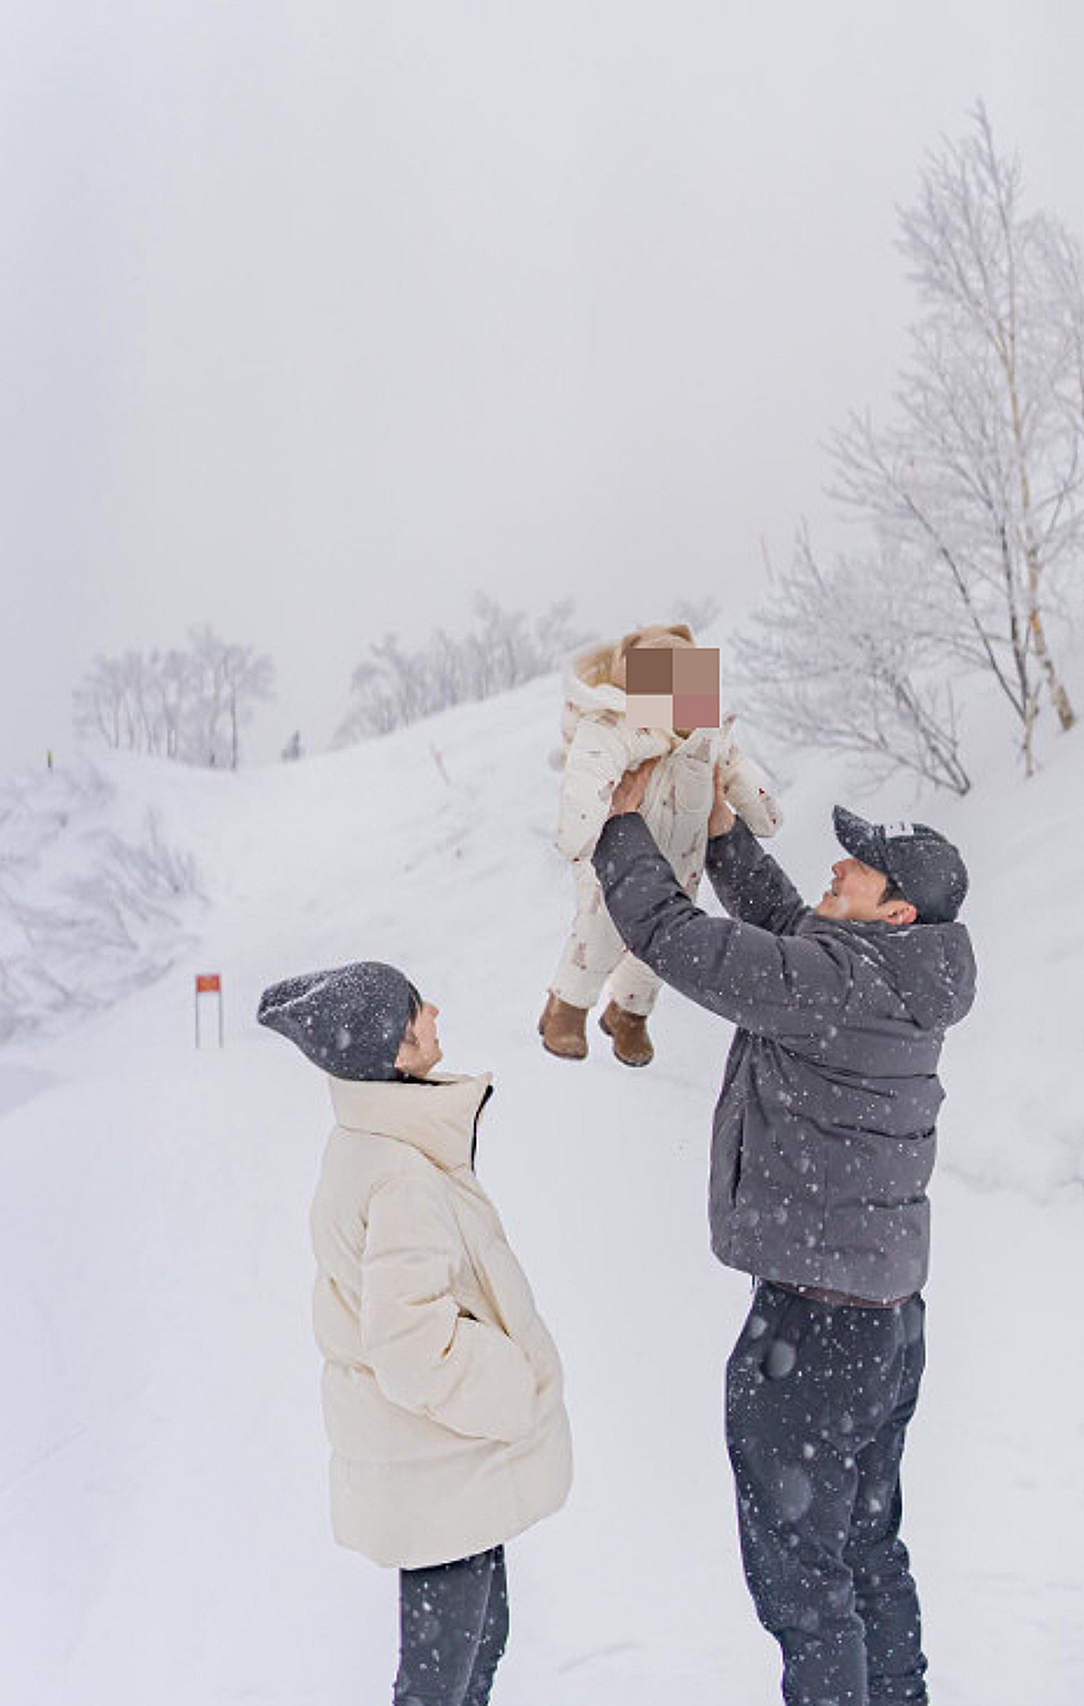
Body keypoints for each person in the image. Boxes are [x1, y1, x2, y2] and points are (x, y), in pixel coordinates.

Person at [590, 761, 975, 1706]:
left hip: (814, 1342)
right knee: (864, 1548)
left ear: (895, 917)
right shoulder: (898, 977)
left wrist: (620, 828)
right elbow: (785, 928)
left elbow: (674, 939)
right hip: (885, 1327)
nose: (838, 869)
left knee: (806, 1589)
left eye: (862, 871)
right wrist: (722, 835)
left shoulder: (834, 986)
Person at [257, 961, 572, 1706]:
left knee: (473, 1655)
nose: (433, 1010)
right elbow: (411, 1350)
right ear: (393, 1055)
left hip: (443, 1472)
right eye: (413, 1010)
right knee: (443, 1682)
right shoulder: (399, 1173)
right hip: (440, 1473)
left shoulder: (378, 1144)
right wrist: (511, 1385)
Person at [540, 621, 780, 1066]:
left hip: (679, 862)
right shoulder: (617, 726)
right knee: (601, 930)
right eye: (669, 678)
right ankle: (567, 1006)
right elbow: (587, 774)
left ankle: (628, 1015)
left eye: (692, 677)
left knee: (662, 943)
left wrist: (761, 808)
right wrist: (578, 827)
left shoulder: (708, 734)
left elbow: (736, 766)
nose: (684, 691)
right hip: (613, 853)